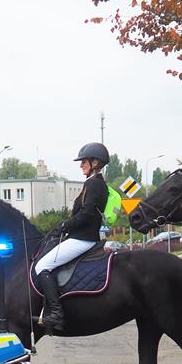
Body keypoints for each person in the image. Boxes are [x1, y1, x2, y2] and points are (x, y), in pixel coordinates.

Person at [33, 141, 109, 332]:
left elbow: (87, 214)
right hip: (78, 236)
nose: (81, 165)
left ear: (96, 163)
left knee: (42, 266)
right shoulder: (91, 183)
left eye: (84, 161)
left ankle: (56, 314)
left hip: (83, 239)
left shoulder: (96, 185)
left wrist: (64, 225)